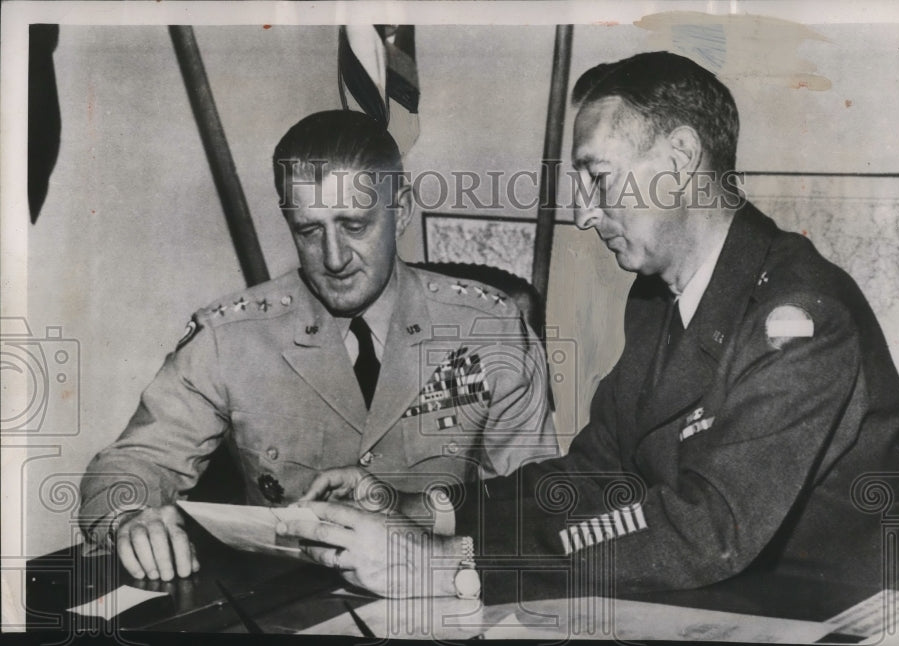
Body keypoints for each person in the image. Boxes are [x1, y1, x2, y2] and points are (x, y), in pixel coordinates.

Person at [278, 52, 899, 601]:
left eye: (597, 176)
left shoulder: (803, 317)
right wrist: (415, 509)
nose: (584, 212)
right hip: (712, 603)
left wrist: (451, 567)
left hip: (829, 613)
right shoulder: (660, 298)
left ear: (681, 157)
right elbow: (590, 477)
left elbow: (706, 531)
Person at [78, 110, 558, 582]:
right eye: (309, 231)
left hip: (442, 592)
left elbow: (533, 507)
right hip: (284, 607)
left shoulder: (489, 328)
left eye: (355, 226)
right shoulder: (232, 338)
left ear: (402, 210)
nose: (334, 258)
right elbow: (131, 462)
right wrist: (130, 516)